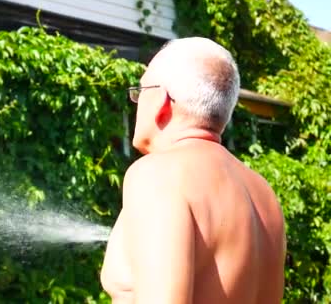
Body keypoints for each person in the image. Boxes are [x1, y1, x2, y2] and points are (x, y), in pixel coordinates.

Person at [100, 37, 286, 304]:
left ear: (162, 100)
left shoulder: (158, 175)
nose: (136, 102)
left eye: (139, 92)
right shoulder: (263, 193)